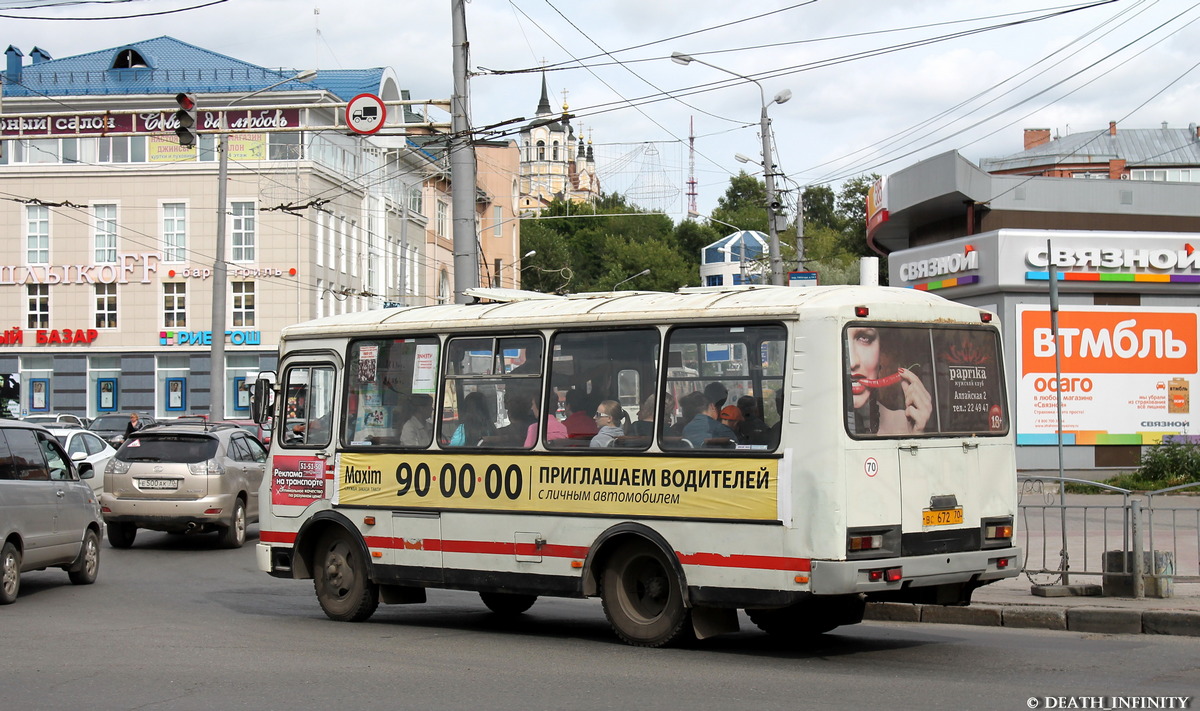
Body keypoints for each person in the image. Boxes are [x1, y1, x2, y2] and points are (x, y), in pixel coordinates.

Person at [847, 326, 933, 435]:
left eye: (864, 338)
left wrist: (918, 434)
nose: (852, 362)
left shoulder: (905, 422)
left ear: (880, 355)